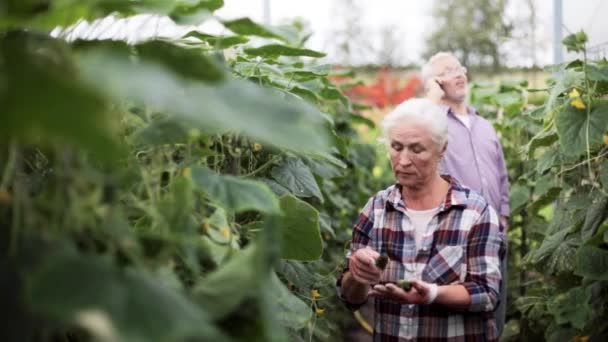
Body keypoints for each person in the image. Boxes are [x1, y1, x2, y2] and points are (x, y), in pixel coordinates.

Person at [337, 98, 505, 341]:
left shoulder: (475, 212)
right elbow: (350, 297)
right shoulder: (377, 209)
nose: (403, 160)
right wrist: (357, 275)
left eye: (416, 149)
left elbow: (487, 294)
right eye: (396, 147)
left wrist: (432, 294)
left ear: (442, 149)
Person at [422, 52, 510, 336]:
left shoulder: (484, 125)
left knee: (495, 308)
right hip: (455, 235)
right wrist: (433, 100)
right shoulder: (434, 124)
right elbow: (422, 149)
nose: (459, 73)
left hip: (494, 233)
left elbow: (501, 174)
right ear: (435, 83)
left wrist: (504, 215)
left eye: (460, 68)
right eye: (447, 71)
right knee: (458, 319)